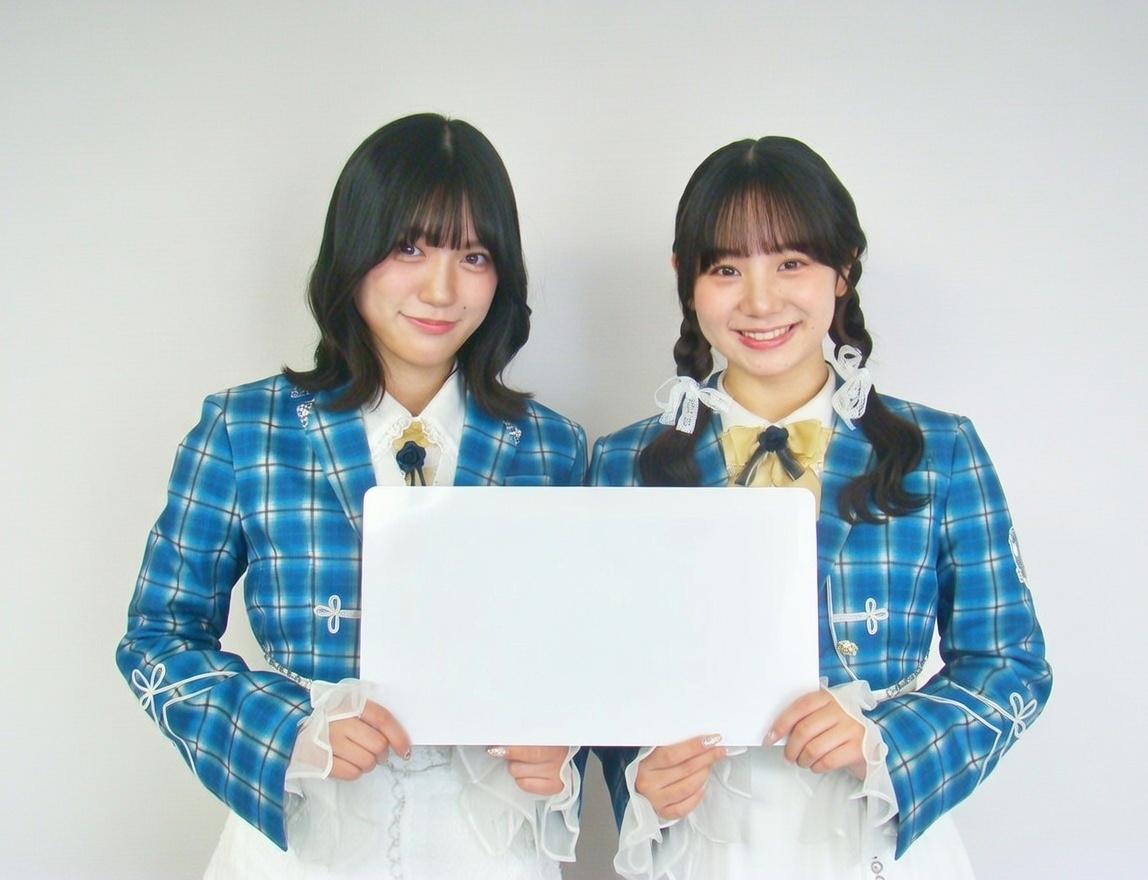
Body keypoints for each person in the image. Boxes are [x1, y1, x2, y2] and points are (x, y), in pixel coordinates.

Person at [116, 113, 587, 879]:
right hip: (305, 837)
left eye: (474, 255)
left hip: (488, 839)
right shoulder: (246, 428)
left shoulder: (553, 447)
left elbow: (584, 652)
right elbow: (157, 634)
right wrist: (291, 732)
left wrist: (563, 743)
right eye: (410, 248)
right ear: (353, 250)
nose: (441, 288)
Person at [588, 136, 1052, 878]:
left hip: (877, 842)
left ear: (844, 270)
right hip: (704, 849)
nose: (760, 300)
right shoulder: (622, 463)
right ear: (686, 279)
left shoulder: (940, 449)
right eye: (726, 268)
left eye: (792, 263)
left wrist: (884, 742)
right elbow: (594, 674)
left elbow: (1011, 664)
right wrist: (640, 778)